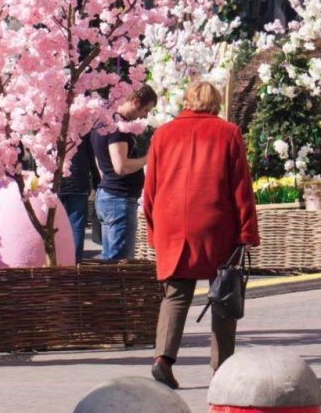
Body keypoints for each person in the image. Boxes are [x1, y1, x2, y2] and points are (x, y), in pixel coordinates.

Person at [143, 81, 260, 389]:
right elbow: (241, 188)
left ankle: (162, 359)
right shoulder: (228, 133)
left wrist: (154, 231)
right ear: (215, 103)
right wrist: (247, 230)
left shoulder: (162, 134)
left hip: (172, 223)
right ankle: (222, 368)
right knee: (223, 293)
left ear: (187, 100)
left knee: (176, 294)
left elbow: (150, 189)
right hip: (215, 222)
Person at [91, 85, 158, 261]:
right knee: (119, 261)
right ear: (135, 102)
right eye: (145, 110)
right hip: (118, 199)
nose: (145, 116)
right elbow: (120, 167)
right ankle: (112, 289)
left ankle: (108, 287)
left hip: (109, 194)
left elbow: (101, 163)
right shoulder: (117, 129)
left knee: (110, 257)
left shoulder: (104, 122)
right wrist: (148, 158)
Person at [58, 133, 100, 262]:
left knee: (55, 225)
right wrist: (96, 181)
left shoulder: (50, 124)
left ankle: (56, 260)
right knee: (76, 226)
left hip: (55, 182)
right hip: (79, 182)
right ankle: (74, 262)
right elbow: (92, 157)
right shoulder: (84, 129)